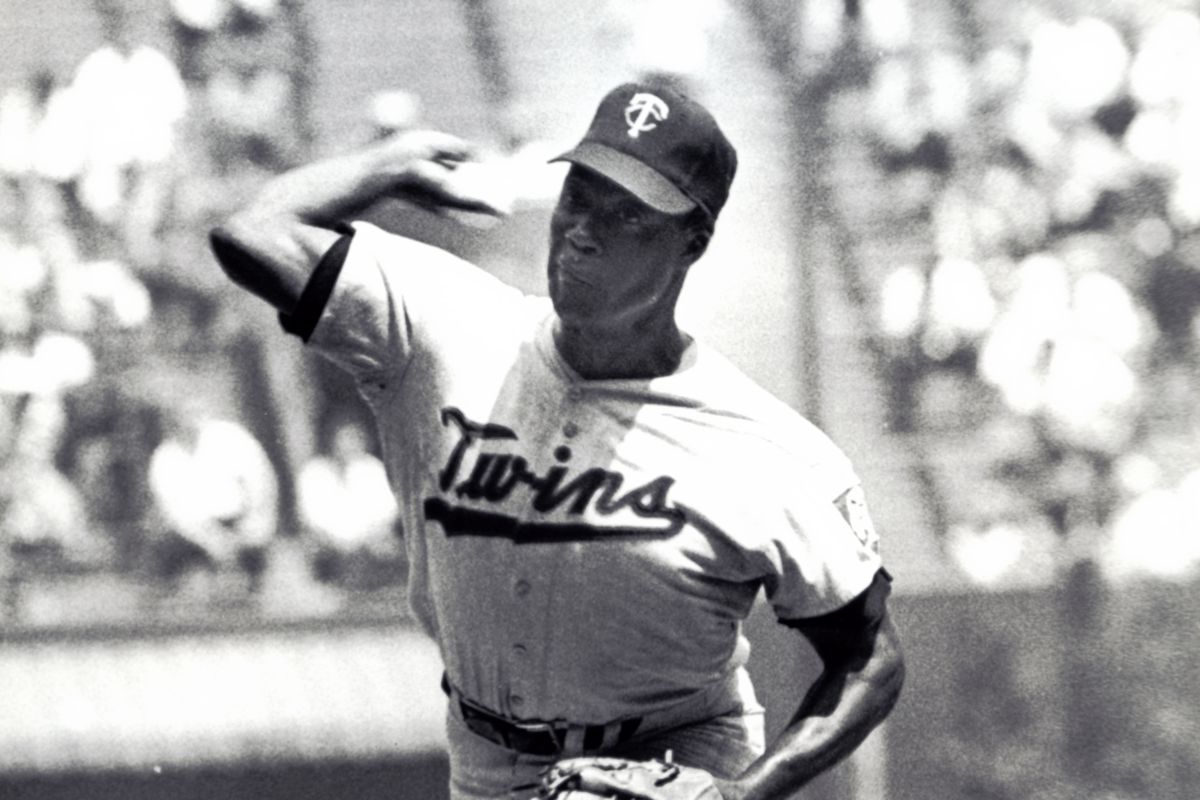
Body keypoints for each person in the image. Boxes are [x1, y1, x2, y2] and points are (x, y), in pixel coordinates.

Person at [210, 80, 905, 800]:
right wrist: (387, 166)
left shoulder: (761, 448)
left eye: (628, 215)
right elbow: (253, 231)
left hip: (673, 757)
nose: (583, 231)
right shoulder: (448, 325)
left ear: (692, 243)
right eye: (578, 197)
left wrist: (742, 795)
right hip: (483, 760)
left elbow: (871, 661)